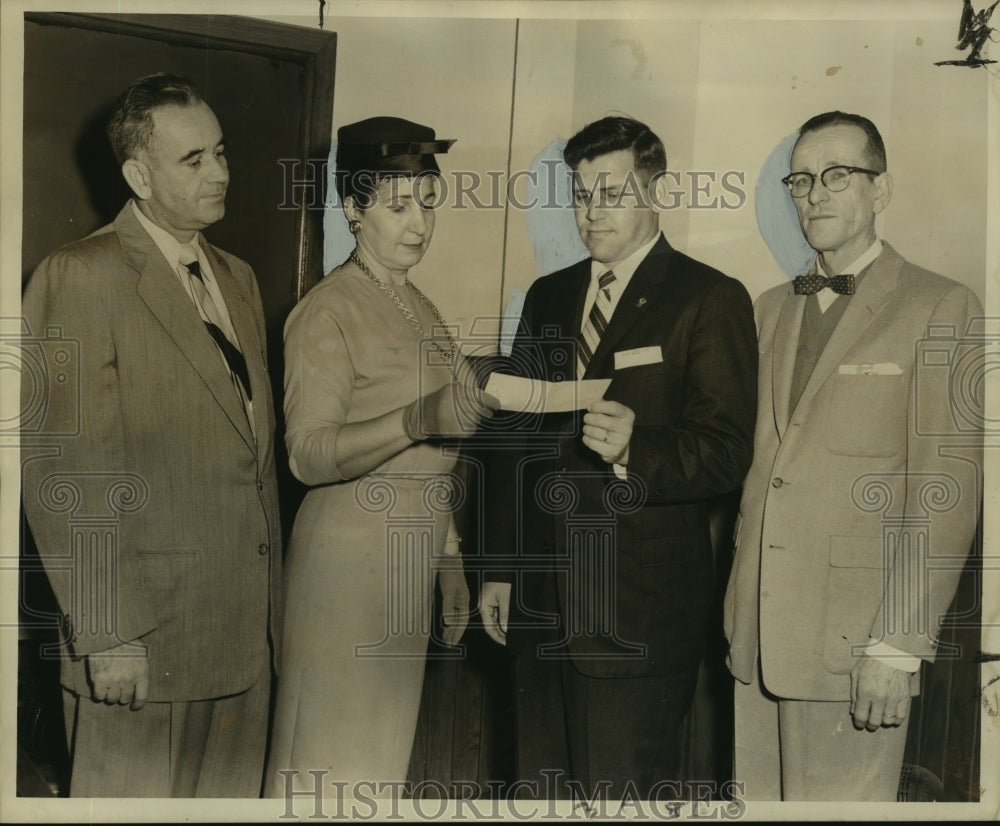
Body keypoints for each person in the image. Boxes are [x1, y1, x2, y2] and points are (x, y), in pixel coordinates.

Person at [478, 116, 758, 799]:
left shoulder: (709, 297)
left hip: (638, 616)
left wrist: (639, 447)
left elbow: (725, 452)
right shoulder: (548, 296)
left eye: (610, 191)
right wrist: (500, 570)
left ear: (654, 190)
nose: (590, 211)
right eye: (579, 194)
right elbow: (513, 443)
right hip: (540, 608)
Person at [20, 73, 282, 797]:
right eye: (193, 160)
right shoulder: (81, 274)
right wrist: (107, 636)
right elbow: (63, 469)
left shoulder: (239, 279)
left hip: (242, 642)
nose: (221, 172)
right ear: (138, 175)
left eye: (222, 152)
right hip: (142, 647)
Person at [723, 111, 984, 801]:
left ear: (881, 189)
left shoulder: (942, 306)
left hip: (854, 645)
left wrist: (897, 646)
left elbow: (946, 488)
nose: (816, 194)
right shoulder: (769, 307)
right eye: (802, 179)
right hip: (754, 640)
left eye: (838, 175)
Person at [264, 117, 494, 798]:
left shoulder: (419, 304)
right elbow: (307, 455)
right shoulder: (326, 311)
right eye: (398, 206)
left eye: (428, 202)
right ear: (354, 209)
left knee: (379, 767)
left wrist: (449, 559)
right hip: (345, 569)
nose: (419, 222)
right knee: (331, 766)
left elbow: (438, 454)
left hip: (409, 560)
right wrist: (418, 416)